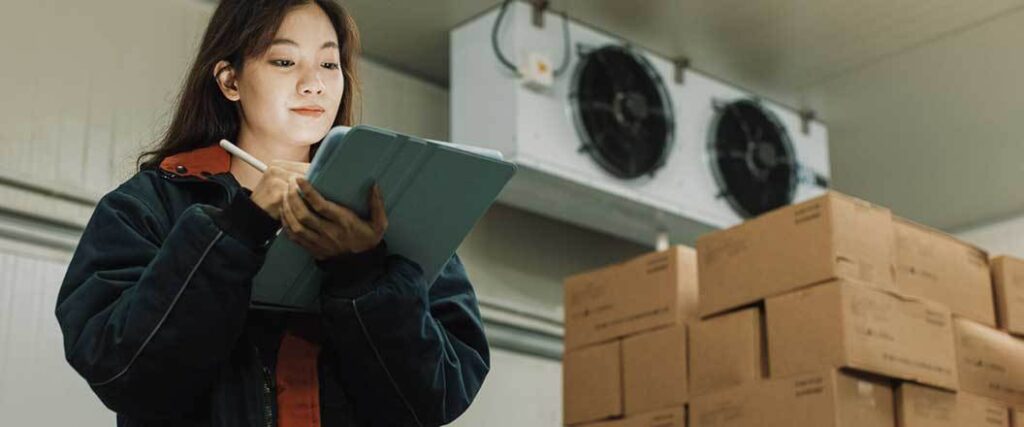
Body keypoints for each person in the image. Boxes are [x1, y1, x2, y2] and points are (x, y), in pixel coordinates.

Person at [53, 0, 489, 425]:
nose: (313, 84)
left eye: (329, 64)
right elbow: (122, 374)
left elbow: (438, 398)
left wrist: (362, 274)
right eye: (284, 62)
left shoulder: (390, 209)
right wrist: (240, 227)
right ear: (229, 80)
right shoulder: (146, 206)